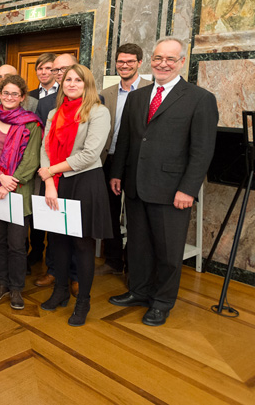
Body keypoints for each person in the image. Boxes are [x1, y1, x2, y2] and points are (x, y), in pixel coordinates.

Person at [109, 37, 219, 327]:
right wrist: (117, 172)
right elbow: (126, 141)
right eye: (158, 58)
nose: (163, 64)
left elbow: (202, 150)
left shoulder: (200, 99)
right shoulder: (137, 96)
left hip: (173, 191)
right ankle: (139, 292)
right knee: (138, 246)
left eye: (171, 59)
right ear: (151, 61)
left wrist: (188, 189)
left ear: (182, 62)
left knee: (169, 253)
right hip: (134, 185)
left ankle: (161, 302)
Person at [38, 64, 112, 327]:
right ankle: (59, 291)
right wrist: (48, 182)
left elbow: (91, 154)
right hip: (56, 183)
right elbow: (45, 147)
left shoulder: (98, 112)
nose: (71, 83)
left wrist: (50, 171)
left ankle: (83, 302)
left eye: (77, 80)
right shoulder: (53, 113)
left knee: (82, 245)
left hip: (84, 182)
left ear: (87, 84)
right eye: (68, 79)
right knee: (57, 240)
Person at [0, 75, 42, 308]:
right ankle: (1, 283)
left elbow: (32, 158)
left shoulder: (32, 123)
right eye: (5, 93)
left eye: (15, 94)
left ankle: (16, 288)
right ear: (0, 95)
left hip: (19, 191)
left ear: (23, 97)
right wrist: (0, 177)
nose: (9, 97)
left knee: (16, 243)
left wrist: (11, 182)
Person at [96, 43, 152, 276]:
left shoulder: (152, 89)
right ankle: (113, 260)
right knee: (109, 211)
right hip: (109, 158)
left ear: (140, 63)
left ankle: (134, 264)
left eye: (130, 61)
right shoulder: (107, 93)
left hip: (140, 161)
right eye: (121, 61)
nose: (125, 65)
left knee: (137, 214)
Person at [32, 52, 78, 285]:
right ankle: (53, 270)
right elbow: (43, 143)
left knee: (76, 228)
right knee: (53, 225)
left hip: (78, 175)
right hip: (51, 175)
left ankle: (75, 275)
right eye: (57, 70)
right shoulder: (46, 103)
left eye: (65, 69)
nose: (61, 74)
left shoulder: (94, 100)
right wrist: (48, 174)